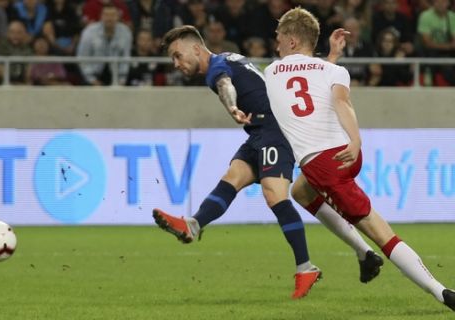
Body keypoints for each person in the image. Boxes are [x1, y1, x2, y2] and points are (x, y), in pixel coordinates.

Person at [152, 24, 383, 299]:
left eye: (178, 55)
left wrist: (232, 107)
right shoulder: (228, 57)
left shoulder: (216, 67)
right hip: (259, 132)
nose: (176, 63)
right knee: (233, 177)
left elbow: (226, 86)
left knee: (275, 196)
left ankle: (306, 267)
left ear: (196, 49)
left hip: (274, 129)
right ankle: (194, 224)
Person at [263, 7, 455, 311]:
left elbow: (332, 100)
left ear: (291, 41)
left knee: (383, 233)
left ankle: (441, 291)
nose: (275, 44)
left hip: (324, 164)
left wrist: (355, 136)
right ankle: (365, 256)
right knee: (300, 191)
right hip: (345, 152)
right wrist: (355, 138)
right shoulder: (332, 71)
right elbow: (337, 98)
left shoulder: (271, 73)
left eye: (278, 37)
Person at [76, 3, 132, 86]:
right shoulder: (89, 32)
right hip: (93, 74)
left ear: (118, 17)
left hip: (116, 74)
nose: (109, 18)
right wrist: (92, 81)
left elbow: (126, 58)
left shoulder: (125, 32)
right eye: (106, 15)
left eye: (113, 15)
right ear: (101, 16)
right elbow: (82, 59)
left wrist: (122, 80)